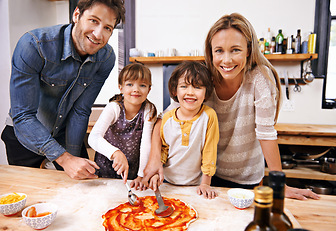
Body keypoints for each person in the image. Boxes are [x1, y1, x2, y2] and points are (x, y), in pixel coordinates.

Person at [143, 13, 319, 201]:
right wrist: (154, 158)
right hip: (206, 176)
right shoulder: (202, 78)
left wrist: (279, 184)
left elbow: (266, 133)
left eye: (235, 50)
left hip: (246, 178)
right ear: (211, 52)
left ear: (249, 50)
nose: (226, 60)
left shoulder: (260, 78)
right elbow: (165, 118)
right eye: (219, 51)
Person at [1, 0, 126, 180]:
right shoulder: (33, 45)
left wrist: (73, 159)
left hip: (65, 134)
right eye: (93, 21)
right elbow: (23, 116)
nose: (98, 34)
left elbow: (81, 110)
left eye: (107, 28)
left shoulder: (106, 58)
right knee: (32, 201)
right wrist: (65, 160)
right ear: (76, 15)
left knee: (80, 192)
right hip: (24, 137)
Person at [149, 61, 219, 199]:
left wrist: (206, 183)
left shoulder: (209, 116)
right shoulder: (167, 118)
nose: (190, 92)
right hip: (167, 183)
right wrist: (157, 174)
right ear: (175, 90)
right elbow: (163, 149)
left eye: (197, 87)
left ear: (206, 92)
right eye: (184, 86)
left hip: (196, 186)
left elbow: (209, 151)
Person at [88, 63, 157, 187]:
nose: (136, 89)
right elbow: (93, 138)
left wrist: (141, 175)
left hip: (132, 170)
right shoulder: (114, 107)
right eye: (130, 84)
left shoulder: (149, 110)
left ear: (149, 89)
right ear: (121, 87)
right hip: (106, 167)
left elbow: (146, 144)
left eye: (142, 85)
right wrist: (116, 153)